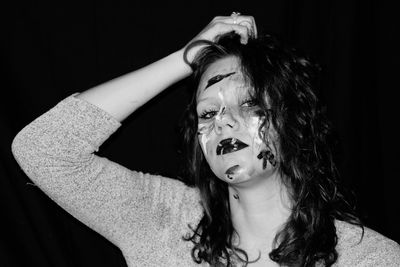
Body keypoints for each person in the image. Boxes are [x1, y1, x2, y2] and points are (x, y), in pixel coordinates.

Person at [11, 13, 400, 267]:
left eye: (248, 104)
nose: (223, 123)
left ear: (294, 121)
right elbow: (45, 148)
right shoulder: (162, 221)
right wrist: (185, 58)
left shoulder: (369, 258)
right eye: (208, 112)